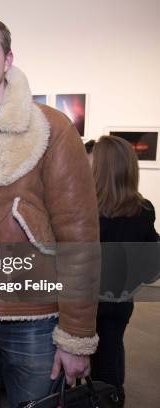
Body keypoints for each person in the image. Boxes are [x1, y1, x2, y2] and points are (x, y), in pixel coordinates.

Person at [0, 15, 100, 407]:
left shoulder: (51, 128)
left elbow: (79, 234)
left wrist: (76, 336)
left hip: (35, 319)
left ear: (8, 59)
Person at [90, 135, 158, 407]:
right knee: (111, 356)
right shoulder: (143, 209)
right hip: (119, 300)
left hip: (84, 300)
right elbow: (151, 262)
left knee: (75, 358)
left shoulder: (84, 210)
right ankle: (111, 399)